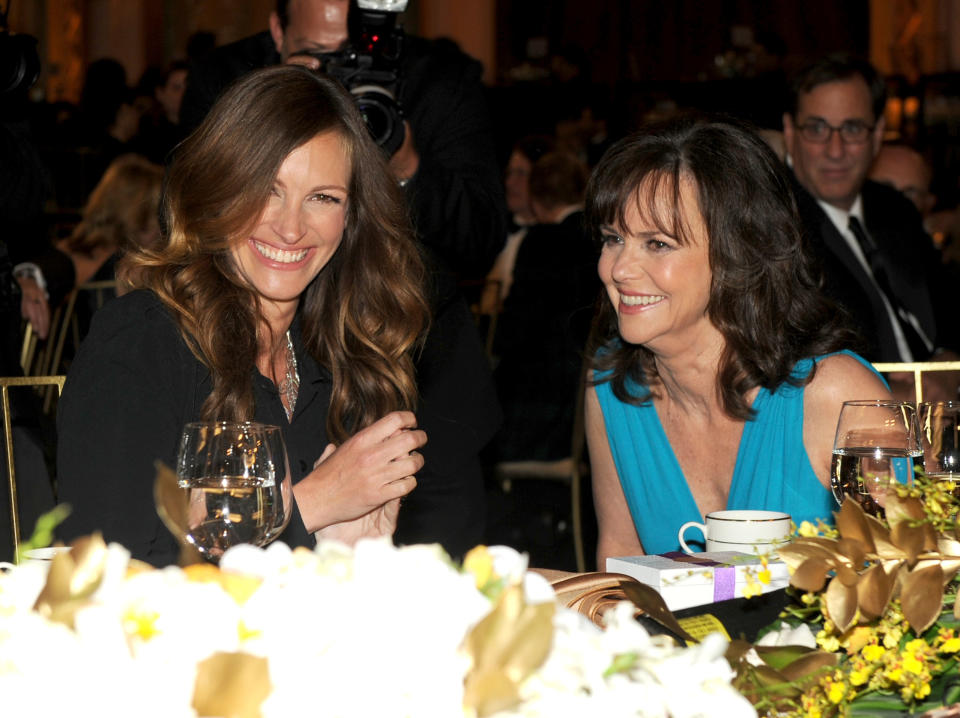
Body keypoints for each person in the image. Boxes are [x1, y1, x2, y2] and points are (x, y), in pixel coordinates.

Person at [57, 66, 430, 566]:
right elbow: (99, 579)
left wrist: (358, 549)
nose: (291, 228)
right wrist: (309, 503)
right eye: (267, 190)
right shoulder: (142, 341)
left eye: (322, 198)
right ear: (220, 191)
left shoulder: (336, 362)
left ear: (352, 216)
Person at [178, 0, 502, 559]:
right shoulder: (229, 81)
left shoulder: (437, 82)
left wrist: (401, 162)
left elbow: (479, 239)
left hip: (418, 365)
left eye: (352, 54)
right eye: (316, 54)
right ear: (277, 31)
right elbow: (192, 216)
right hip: (253, 360)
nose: (335, 74)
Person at [585, 115, 890, 564]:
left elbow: (909, 579)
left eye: (658, 244)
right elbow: (621, 559)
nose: (618, 269)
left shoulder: (836, 394)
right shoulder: (615, 386)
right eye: (614, 239)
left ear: (738, 253)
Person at [781, 54, 960, 377]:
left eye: (852, 128)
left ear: (877, 134)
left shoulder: (894, 207)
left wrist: (947, 366)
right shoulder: (773, 223)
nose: (835, 150)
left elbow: (949, 307)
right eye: (817, 128)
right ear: (790, 131)